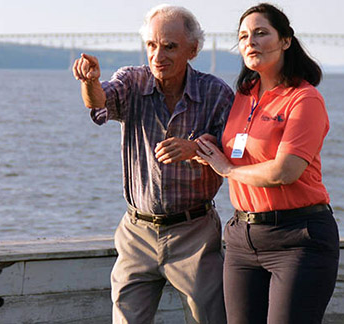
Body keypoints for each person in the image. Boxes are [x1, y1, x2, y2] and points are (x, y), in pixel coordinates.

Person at [71, 4, 233, 324]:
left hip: (195, 233)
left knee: (210, 318)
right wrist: (90, 81)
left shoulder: (216, 93)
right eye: (152, 45)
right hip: (137, 232)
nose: (158, 55)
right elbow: (99, 102)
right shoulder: (131, 81)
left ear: (193, 50)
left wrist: (195, 148)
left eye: (170, 46)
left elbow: (232, 152)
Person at [194, 3, 339, 324]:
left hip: (298, 238)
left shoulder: (304, 99)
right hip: (242, 239)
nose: (251, 42)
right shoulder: (244, 95)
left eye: (261, 33)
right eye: (244, 36)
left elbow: (286, 170)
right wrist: (196, 147)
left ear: (286, 40)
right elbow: (238, 150)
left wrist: (228, 171)